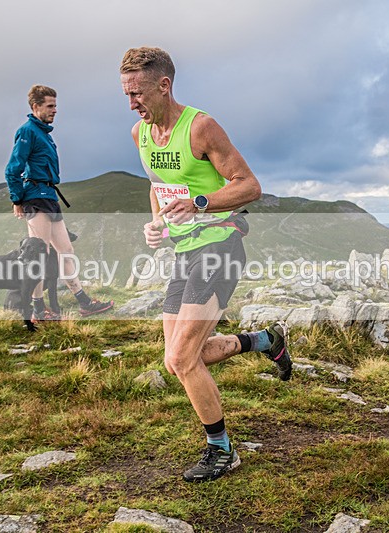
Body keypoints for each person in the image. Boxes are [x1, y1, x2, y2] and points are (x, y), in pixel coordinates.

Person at [120, 47, 293, 482]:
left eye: (138, 93)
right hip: (183, 252)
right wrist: (156, 224)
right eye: (126, 94)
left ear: (164, 85)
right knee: (175, 360)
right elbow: (158, 188)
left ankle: (223, 450)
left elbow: (250, 186)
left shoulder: (200, 128)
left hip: (220, 246)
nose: (132, 103)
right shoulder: (140, 135)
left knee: (182, 358)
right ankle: (265, 340)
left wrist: (199, 203)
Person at [4, 85, 114, 320]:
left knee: (66, 250)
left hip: (50, 197)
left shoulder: (44, 133)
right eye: (50, 106)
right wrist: (17, 199)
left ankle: (84, 302)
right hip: (34, 198)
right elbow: (12, 169)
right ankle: (38, 309)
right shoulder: (27, 132)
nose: (55, 110)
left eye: (56, 105)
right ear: (36, 107)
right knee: (39, 256)